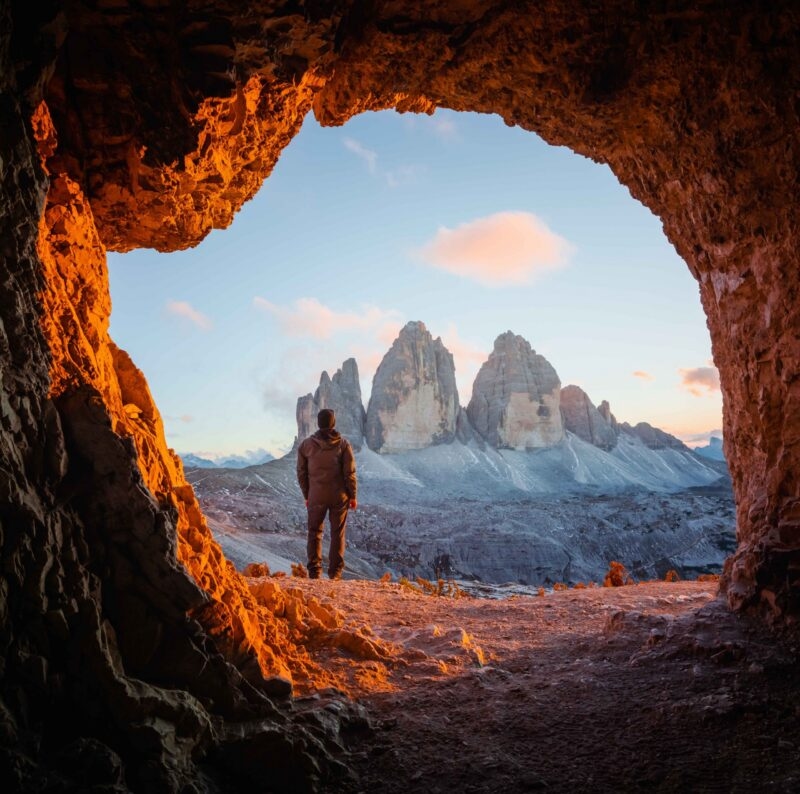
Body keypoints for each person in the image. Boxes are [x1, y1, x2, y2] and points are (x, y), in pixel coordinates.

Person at [296, 408, 357, 580]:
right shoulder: (344, 444)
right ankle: (335, 573)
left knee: (314, 532)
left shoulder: (306, 445)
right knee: (338, 533)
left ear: (318, 423)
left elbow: (301, 473)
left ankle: (314, 572)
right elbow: (349, 473)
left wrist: (307, 495)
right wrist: (352, 496)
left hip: (316, 495)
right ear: (333, 423)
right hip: (339, 497)